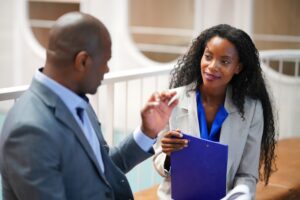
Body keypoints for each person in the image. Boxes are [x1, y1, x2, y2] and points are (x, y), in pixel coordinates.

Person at [0, 12, 178, 200]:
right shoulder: (29, 130)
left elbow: (104, 167)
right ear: (82, 61)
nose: (107, 70)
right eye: (105, 61)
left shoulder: (76, 101)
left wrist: (147, 131)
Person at [153, 24, 276, 200]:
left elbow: (247, 175)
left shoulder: (252, 109)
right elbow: (159, 163)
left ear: (238, 67)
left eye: (224, 61)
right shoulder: (173, 100)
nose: (212, 67)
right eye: (208, 57)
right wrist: (169, 156)